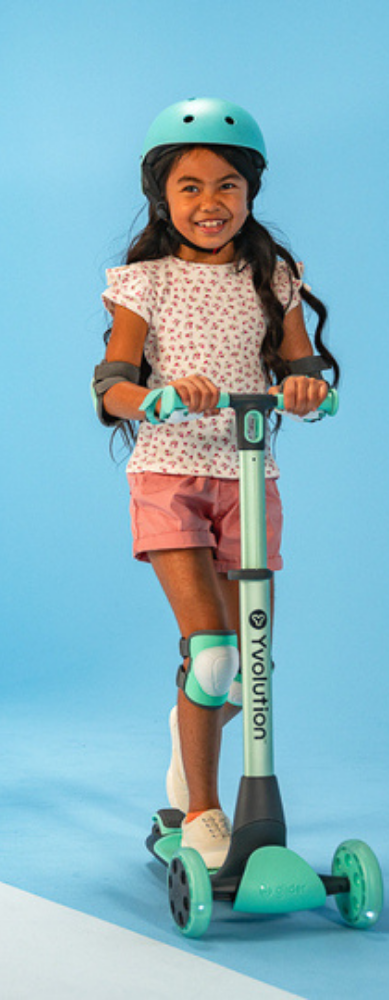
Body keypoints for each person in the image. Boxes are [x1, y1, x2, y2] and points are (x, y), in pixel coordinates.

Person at [92, 99, 338, 867]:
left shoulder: (274, 277)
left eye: (227, 185)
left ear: (251, 193)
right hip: (168, 473)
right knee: (212, 655)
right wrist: (156, 397)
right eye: (190, 187)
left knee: (239, 673)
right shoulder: (145, 283)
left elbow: (305, 373)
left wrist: (309, 392)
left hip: (248, 477)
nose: (210, 203)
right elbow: (111, 387)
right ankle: (200, 812)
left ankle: (182, 749)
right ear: (162, 198)